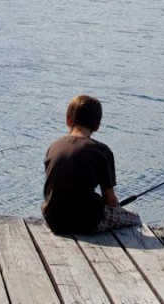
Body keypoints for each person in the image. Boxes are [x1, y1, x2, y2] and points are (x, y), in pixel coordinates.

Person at [42, 94, 140, 234]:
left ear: (68, 120)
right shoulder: (101, 151)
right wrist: (118, 209)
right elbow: (110, 200)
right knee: (135, 218)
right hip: (87, 221)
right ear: (97, 126)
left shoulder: (54, 146)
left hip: (53, 220)